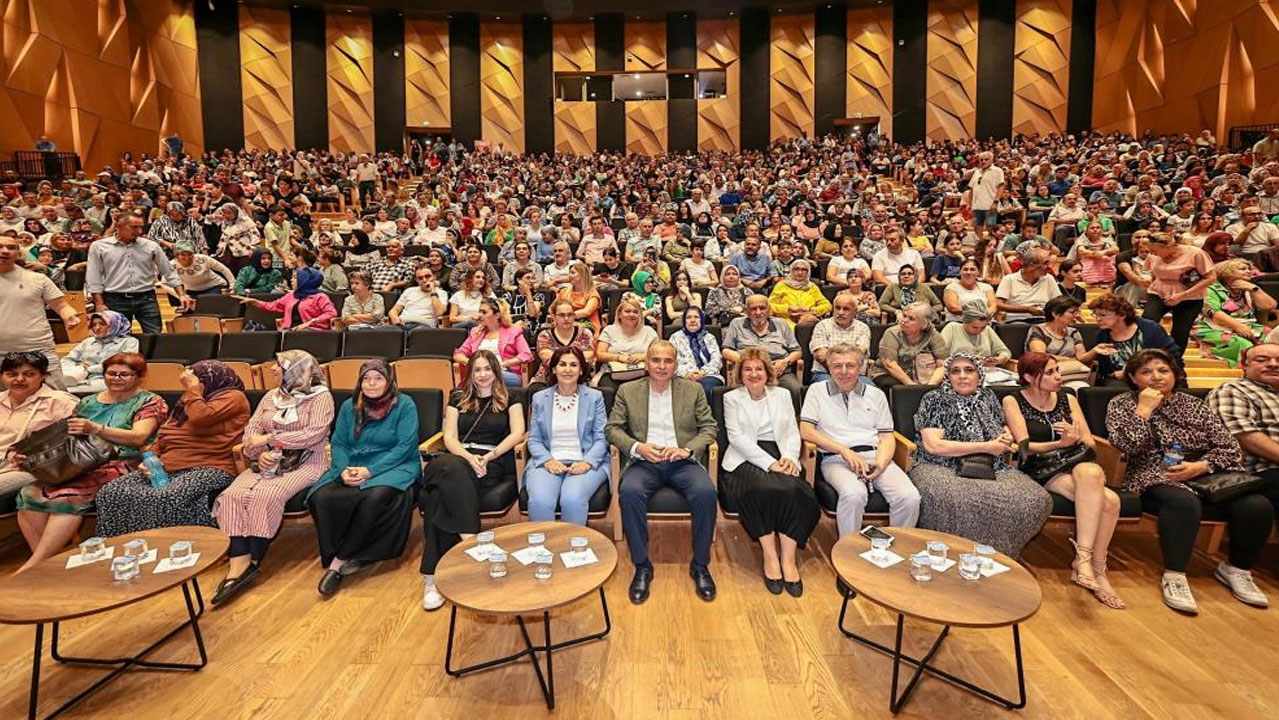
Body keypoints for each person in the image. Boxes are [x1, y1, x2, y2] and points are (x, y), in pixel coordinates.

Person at [1107, 349, 1272, 613]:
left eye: (1163, 371)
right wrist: (1144, 410)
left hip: (1206, 471)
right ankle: (1175, 575)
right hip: (1154, 470)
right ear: (1133, 377)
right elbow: (1128, 446)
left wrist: (1201, 465)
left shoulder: (1195, 404)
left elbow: (1229, 448)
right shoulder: (1122, 403)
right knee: (1183, 502)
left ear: (1174, 374)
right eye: (1146, 372)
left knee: (1257, 505)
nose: (1156, 377)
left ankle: (1237, 569)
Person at [15, 353, 167, 572]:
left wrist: (95, 429)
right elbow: (65, 435)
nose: (116, 378)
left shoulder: (150, 401)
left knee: (68, 494)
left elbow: (138, 437)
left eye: (124, 374)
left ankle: (34, 566)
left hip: (122, 461)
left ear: (139, 376)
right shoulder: (87, 401)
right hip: (78, 462)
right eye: (111, 373)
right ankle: (48, 562)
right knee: (29, 492)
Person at [211, 351, 333, 605]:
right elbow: (250, 432)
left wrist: (270, 440)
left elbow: (313, 435)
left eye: (279, 366)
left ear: (296, 370)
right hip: (265, 462)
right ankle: (239, 563)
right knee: (233, 495)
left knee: (266, 496)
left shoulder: (320, 397)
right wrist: (260, 452)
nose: (273, 369)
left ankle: (252, 560)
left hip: (308, 463)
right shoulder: (271, 396)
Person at [1003, 352, 1125, 609]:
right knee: (1110, 502)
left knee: (1090, 474)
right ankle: (1096, 568)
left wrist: (1075, 436)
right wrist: (1059, 443)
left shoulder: (1068, 398)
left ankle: (1086, 561)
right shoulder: (1013, 400)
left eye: (1057, 370)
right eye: (1049, 372)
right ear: (1028, 377)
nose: (1058, 376)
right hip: (1044, 467)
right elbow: (1023, 446)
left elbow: (1090, 442)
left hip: (1078, 463)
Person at [606, 341, 719, 604]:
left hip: (682, 461)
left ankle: (700, 565)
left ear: (676, 365)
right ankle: (642, 565)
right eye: (656, 360)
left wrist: (688, 450)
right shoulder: (627, 390)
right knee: (630, 492)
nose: (661, 366)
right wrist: (638, 447)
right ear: (646, 363)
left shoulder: (693, 390)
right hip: (644, 462)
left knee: (706, 492)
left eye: (668, 361)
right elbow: (613, 429)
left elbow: (709, 428)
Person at [909, 353, 1053, 556]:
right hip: (938, 465)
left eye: (969, 370)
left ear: (980, 374)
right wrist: (986, 446)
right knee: (956, 497)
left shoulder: (988, 397)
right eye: (955, 371)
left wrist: (1005, 436)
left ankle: (998, 555)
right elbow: (934, 446)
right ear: (947, 376)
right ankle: (953, 554)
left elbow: (1000, 426)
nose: (962, 376)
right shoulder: (935, 399)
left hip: (991, 465)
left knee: (1035, 499)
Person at [419, 351, 526, 610]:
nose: (482, 375)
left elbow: (517, 433)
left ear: (496, 371)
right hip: (456, 457)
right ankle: (473, 540)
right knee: (450, 467)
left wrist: (487, 457)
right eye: (477, 369)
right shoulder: (457, 397)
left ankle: (432, 578)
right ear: (470, 373)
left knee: (436, 500)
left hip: (490, 462)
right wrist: (468, 457)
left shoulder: (511, 398)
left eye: (487, 369)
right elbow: (450, 438)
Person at [94, 361, 250, 536]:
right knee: (111, 492)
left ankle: (172, 545)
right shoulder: (192, 397)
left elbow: (202, 417)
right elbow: (167, 431)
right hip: (167, 464)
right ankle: (123, 545)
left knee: (166, 496)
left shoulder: (233, 397)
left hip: (210, 465)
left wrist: (192, 389)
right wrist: (149, 459)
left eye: (196, 380)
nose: (192, 384)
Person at [310, 359, 421, 597]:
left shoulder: (404, 405)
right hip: (352, 464)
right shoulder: (351, 406)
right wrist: (341, 470)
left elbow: (405, 447)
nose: (371, 384)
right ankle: (355, 553)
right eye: (366, 379)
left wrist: (370, 472)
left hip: (395, 464)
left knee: (376, 496)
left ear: (389, 381)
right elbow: (338, 443)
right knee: (321, 497)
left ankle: (338, 562)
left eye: (378, 378)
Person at [723, 348, 820, 596]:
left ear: (768, 373)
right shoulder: (731, 398)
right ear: (740, 373)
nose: (753, 374)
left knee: (798, 492)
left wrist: (788, 457)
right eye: (748, 369)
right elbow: (736, 438)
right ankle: (770, 556)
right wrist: (770, 464)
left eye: (759, 369)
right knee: (764, 488)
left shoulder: (783, 394)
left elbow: (790, 430)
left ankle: (788, 559)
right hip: (745, 458)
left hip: (782, 451)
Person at [800, 343, 919, 539]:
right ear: (829, 368)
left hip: (875, 455)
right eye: (837, 366)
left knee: (909, 497)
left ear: (861, 368)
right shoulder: (817, 391)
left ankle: (898, 548)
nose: (844, 372)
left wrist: (880, 464)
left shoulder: (876, 394)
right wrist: (844, 451)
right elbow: (806, 431)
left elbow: (887, 437)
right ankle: (849, 550)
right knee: (854, 494)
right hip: (836, 458)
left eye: (850, 365)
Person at [524, 346, 609, 525]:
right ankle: (543, 551)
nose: (568, 369)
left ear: (581, 370)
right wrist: (547, 460)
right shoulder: (540, 398)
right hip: (548, 461)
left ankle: (574, 550)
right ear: (554, 369)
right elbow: (534, 439)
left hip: (586, 460)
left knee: (572, 500)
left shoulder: (595, 397)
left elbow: (602, 438)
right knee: (540, 501)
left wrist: (587, 462)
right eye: (562, 364)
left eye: (573, 365)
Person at [86, 215, 190, 333]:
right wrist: (99, 303)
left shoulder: (151, 246)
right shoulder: (99, 247)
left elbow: (169, 272)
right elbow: (94, 277)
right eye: (134, 227)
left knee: (154, 335)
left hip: (146, 297)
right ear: (118, 226)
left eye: (141, 227)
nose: (139, 231)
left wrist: (182, 295)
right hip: (115, 298)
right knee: (119, 338)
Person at [0, 353, 78, 497]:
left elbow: (76, 444)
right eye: (11, 374)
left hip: (26, 468)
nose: (19, 379)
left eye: (29, 374)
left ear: (43, 376)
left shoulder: (60, 402)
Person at [1142, 232, 1215, 351]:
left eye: (1154, 251)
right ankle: (1151, 351)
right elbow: (1152, 274)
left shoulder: (1195, 253)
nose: (1151, 254)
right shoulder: (1154, 254)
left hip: (1189, 295)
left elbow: (1211, 278)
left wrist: (1182, 295)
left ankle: (1175, 361)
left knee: (1180, 332)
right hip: (1159, 291)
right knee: (1147, 321)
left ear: (1168, 247)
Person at [1194, 259, 1275, 366]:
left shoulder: (1249, 287)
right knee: (1243, 344)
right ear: (1227, 272)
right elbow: (1213, 313)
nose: (1248, 271)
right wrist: (1238, 326)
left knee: (1271, 336)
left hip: (1248, 325)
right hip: (1211, 327)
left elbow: (1269, 306)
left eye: (1249, 269)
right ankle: (1248, 371)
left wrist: (1255, 290)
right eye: (1243, 269)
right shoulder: (1211, 288)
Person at [1089, 294, 1180, 386]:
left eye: (1103, 315)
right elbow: (1104, 370)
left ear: (1122, 315)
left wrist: (1130, 372)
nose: (1098, 319)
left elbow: (1172, 355)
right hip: (1118, 382)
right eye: (1095, 315)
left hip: (1153, 376)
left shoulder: (1150, 329)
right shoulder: (1102, 335)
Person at [721, 295, 804, 394]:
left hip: (778, 371)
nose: (758, 312)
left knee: (795, 389)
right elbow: (726, 351)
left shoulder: (781, 324)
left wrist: (785, 361)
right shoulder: (736, 324)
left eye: (762, 308)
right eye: (753, 309)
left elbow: (797, 351)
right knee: (738, 393)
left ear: (769, 310)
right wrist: (748, 362)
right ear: (746, 311)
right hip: (748, 372)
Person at [453, 298, 533, 386]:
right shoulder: (476, 332)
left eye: (484, 312)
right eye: (479, 311)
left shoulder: (513, 331)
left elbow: (526, 354)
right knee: (480, 376)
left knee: (484, 376)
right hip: (479, 373)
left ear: (497, 315)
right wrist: (475, 364)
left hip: (505, 372)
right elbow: (458, 354)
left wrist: (502, 364)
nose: (479, 315)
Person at [872, 301, 948, 389]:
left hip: (924, 375)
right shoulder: (892, 333)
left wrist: (931, 385)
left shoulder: (933, 334)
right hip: (890, 374)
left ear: (923, 324)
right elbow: (890, 364)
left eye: (911, 318)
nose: (904, 320)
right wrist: (912, 386)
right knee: (895, 387)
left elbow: (943, 364)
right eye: (904, 316)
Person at [59, 311, 139, 393]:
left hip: (106, 379)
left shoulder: (129, 342)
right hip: (78, 376)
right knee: (54, 386)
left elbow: (124, 365)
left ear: (114, 324)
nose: (97, 328)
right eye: (94, 325)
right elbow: (66, 360)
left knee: (64, 391)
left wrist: (90, 369)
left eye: (102, 324)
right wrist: (77, 368)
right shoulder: (88, 341)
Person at [240, 267, 336, 331]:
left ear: (304, 280)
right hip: (290, 331)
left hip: (312, 332)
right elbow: (273, 306)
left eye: (295, 277)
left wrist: (310, 323)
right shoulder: (292, 295)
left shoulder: (320, 297)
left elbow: (331, 313)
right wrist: (255, 302)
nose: (291, 280)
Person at [594, 298, 659, 391]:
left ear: (640, 315)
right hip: (613, 373)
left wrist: (643, 356)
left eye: (635, 312)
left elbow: (659, 354)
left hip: (642, 373)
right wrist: (618, 358)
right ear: (619, 314)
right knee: (608, 391)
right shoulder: (609, 330)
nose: (632, 314)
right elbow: (599, 355)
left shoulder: (649, 331)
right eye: (627, 311)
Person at [810, 291, 872, 384]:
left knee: (871, 392)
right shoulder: (822, 326)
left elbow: (860, 353)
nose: (840, 312)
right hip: (825, 373)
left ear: (855, 312)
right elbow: (821, 356)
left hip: (856, 375)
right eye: (837, 308)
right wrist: (840, 371)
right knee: (830, 389)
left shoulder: (863, 328)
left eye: (846, 309)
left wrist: (846, 371)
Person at [532, 299, 597, 388]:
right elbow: (548, 360)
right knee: (534, 390)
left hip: (579, 378)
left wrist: (561, 359)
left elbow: (588, 356)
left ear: (574, 316)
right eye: (562, 315)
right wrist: (574, 359)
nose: (566, 318)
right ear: (554, 317)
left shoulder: (585, 334)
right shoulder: (544, 335)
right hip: (548, 378)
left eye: (570, 315)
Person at [939, 302, 1013, 378]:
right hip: (960, 375)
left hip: (987, 374)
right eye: (974, 327)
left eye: (982, 327)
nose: (979, 330)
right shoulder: (952, 328)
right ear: (965, 322)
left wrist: (998, 359)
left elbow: (1005, 352)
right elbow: (940, 357)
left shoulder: (987, 330)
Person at [670, 307, 724, 398]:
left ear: (701, 320)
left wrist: (702, 372)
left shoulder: (709, 337)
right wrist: (686, 374)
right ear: (684, 321)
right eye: (689, 317)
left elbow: (717, 360)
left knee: (706, 388)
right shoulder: (675, 338)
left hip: (709, 375)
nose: (692, 320)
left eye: (696, 317)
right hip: (683, 376)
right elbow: (672, 361)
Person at [995, 248, 1060, 322]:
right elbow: (998, 304)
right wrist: (1026, 309)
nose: (1050, 267)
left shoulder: (1049, 278)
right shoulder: (1009, 279)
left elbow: (1058, 301)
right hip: (1017, 321)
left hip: (1043, 320)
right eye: (1045, 263)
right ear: (1031, 265)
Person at [768, 260, 831, 327]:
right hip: (786, 319)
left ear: (808, 272)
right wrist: (789, 308)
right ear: (791, 271)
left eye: (804, 270)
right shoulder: (781, 286)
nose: (800, 272)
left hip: (808, 318)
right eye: (796, 269)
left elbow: (827, 305)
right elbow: (769, 305)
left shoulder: (813, 287)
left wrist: (809, 310)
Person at [389, 266, 447, 331]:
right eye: (420, 278)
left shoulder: (441, 293)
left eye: (427, 276)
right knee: (379, 331)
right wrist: (394, 317)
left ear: (434, 277)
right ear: (417, 280)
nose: (424, 280)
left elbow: (439, 312)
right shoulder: (409, 291)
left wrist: (433, 291)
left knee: (417, 333)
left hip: (423, 326)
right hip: (402, 324)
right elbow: (394, 310)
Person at [878, 265, 942, 321]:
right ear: (899, 277)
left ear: (915, 276)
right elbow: (882, 304)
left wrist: (926, 311)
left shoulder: (923, 287)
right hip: (900, 318)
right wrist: (896, 311)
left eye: (910, 274)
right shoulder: (893, 287)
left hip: (923, 319)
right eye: (903, 274)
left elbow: (939, 305)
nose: (906, 276)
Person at [942, 258, 997, 323]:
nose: (969, 272)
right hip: (959, 323)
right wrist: (979, 314)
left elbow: (993, 306)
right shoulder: (951, 287)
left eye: (972, 269)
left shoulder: (987, 287)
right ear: (960, 272)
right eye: (965, 269)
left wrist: (983, 315)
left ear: (978, 272)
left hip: (984, 323)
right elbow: (953, 308)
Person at [556, 261, 602, 332]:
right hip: (565, 321)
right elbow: (552, 309)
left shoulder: (592, 293)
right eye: (569, 273)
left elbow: (586, 312)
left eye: (573, 273)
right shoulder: (564, 292)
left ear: (582, 275)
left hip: (587, 324)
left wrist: (566, 316)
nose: (569, 276)